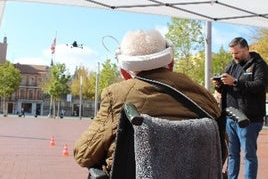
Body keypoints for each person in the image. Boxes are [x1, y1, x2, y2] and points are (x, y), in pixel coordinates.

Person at [73, 29, 223, 176]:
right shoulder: (203, 95)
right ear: (171, 63)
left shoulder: (117, 95)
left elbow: (84, 153)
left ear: (125, 71)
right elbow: (220, 152)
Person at [212, 37, 268, 179]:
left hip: (248, 118)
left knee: (248, 155)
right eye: (232, 53)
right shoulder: (231, 65)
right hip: (231, 117)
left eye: (236, 53)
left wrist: (236, 82)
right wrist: (219, 85)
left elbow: (260, 86)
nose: (234, 56)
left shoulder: (259, 65)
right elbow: (226, 87)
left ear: (246, 49)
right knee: (232, 154)